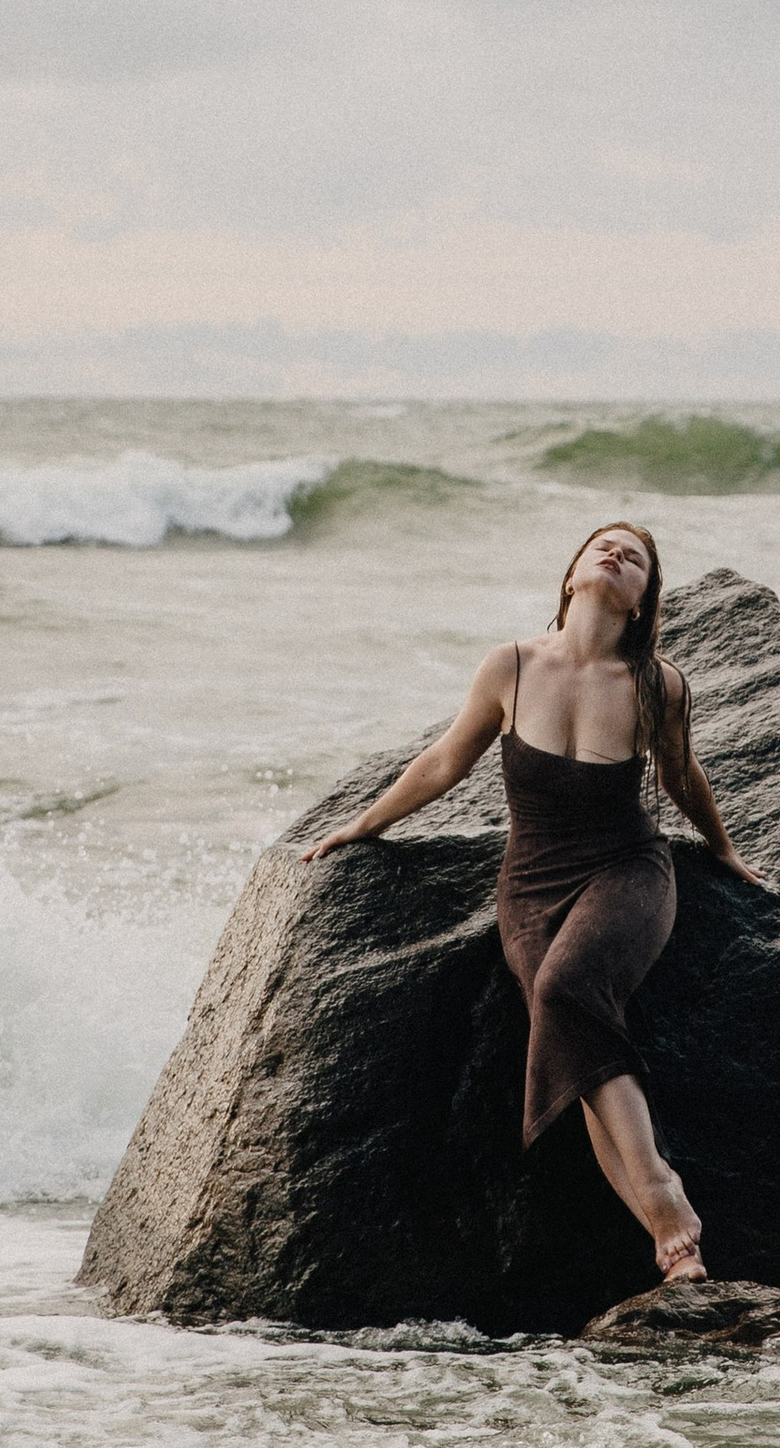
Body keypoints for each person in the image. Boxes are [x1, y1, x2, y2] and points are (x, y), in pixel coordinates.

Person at [302, 521, 754, 1280]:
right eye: (604, 546)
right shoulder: (510, 665)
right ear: (572, 574)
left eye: (636, 559)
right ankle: (673, 1246)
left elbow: (682, 775)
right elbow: (444, 760)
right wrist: (363, 824)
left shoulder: (658, 684)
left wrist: (724, 849)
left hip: (627, 870)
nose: (617, 555)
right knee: (571, 1029)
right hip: (533, 883)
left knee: (566, 988)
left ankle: (661, 1191)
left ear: (641, 600)